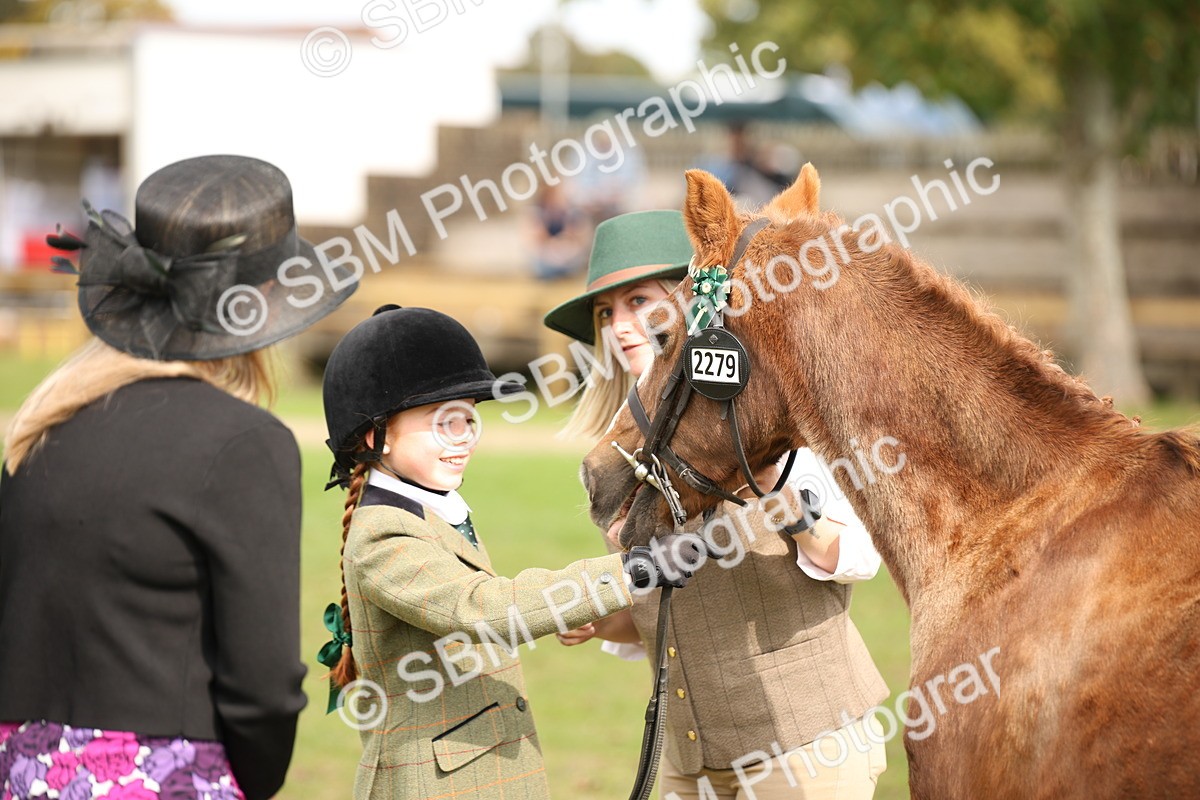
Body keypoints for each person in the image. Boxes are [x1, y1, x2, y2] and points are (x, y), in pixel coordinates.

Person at [0, 155, 357, 799]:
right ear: (264, 300)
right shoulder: (246, 444)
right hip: (162, 778)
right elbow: (263, 686)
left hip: (21, 773)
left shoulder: (43, 426)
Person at [542, 209, 890, 799]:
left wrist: (783, 500)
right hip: (689, 760)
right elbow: (672, 612)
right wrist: (605, 622)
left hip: (804, 749)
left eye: (638, 302)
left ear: (692, 303)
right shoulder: (616, 453)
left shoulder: (765, 411)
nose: (620, 325)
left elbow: (857, 557)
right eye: (606, 312)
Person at [319, 304, 703, 800]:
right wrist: (633, 569)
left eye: (468, 420)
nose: (463, 439)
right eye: (443, 423)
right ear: (377, 436)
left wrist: (568, 606)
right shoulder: (382, 534)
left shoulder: (428, 508)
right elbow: (484, 608)